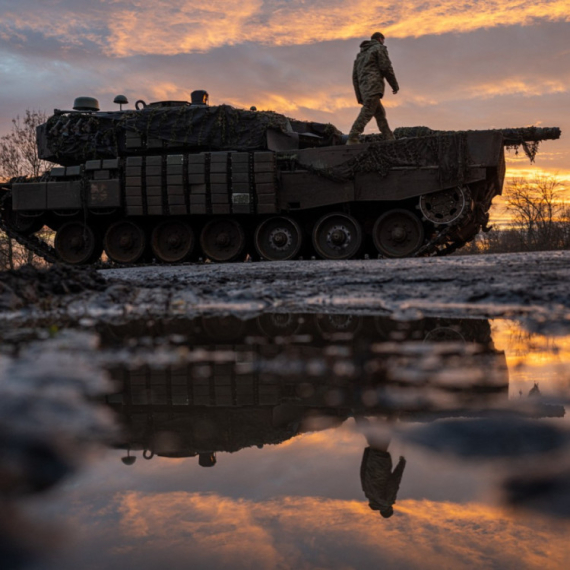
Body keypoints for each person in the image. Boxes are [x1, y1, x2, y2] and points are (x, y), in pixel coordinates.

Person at [347, 32, 400, 144]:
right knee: (368, 111)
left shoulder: (360, 56)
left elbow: (355, 77)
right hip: (374, 85)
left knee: (380, 114)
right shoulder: (378, 48)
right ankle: (353, 136)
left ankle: (390, 139)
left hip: (364, 88)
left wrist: (359, 95)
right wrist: (394, 85)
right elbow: (386, 67)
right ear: (380, 39)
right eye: (383, 40)